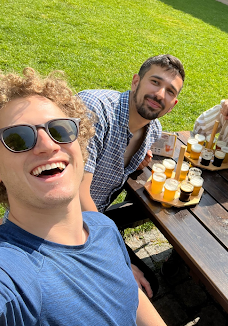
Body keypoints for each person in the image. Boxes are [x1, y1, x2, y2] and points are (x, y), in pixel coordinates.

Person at [0, 68, 186, 326]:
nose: (48, 145)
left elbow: (129, 295)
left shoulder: (103, 227)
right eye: (19, 138)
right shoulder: (6, 270)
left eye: (59, 129)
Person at [78, 54, 185, 297]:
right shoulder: (95, 109)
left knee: (148, 285)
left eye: (170, 91)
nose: (160, 94)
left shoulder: (152, 130)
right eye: (155, 82)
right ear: (135, 81)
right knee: (133, 292)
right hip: (54, 223)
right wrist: (118, 260)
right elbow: (75, 194)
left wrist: (134, 162)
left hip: (92, 223)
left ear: (174, 103)